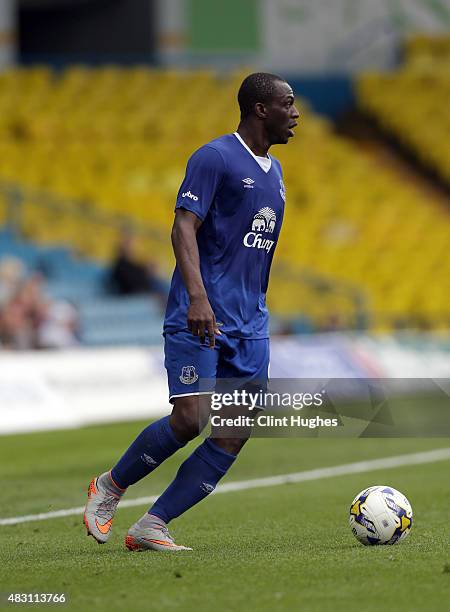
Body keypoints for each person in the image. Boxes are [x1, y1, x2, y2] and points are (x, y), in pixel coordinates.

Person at [83, 72, 299, 551]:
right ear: (261, 109)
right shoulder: (215, 157)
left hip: (250, 325)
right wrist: (198, 297)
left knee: (234, 431)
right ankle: (109, 487)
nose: (296, 113)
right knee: (189, 419)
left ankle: (152, 524)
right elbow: (183, 227)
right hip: (200, 314)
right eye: (288, 103)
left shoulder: (277, 173)